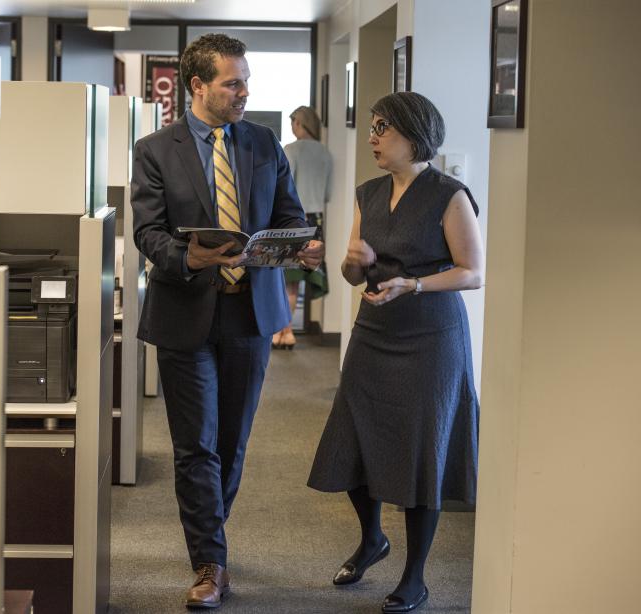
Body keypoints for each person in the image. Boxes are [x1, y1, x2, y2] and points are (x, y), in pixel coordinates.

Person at [131, 33, 324, 609]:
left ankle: (210, 533)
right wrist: (189, 255)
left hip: (250, 313)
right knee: (196, 445)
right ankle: (210, 561)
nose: (244, 92)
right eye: (232, 82)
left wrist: (300, 248)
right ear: (197, 86)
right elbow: (148, 233)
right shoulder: (155, 149)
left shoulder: (264, 142)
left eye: (246, 81)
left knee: (233, 442)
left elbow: (288, 215)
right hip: (184, 311)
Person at [307, 92, 484, 614]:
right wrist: (354, 263)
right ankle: (372, 539)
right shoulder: (368, 192)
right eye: (372, 127)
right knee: (354, 437)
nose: (372, 138)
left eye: (383, 128)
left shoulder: (449, 195)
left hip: (430, 338)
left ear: (414, 134)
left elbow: (472, 272)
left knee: (420, 451)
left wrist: (414, 284)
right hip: (374, 331)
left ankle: (415, 576)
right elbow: (351, 272)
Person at [274, 106, 333, 349]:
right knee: (296, 282)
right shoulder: (325, 153)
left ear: (300, 124)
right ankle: (286, 330)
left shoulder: (291, 150)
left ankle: (284, 331)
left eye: (293, 123)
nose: (292, 128)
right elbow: (327, 194)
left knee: (284, 278)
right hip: (316, 220)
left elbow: (285, 190)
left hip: (294, 219)